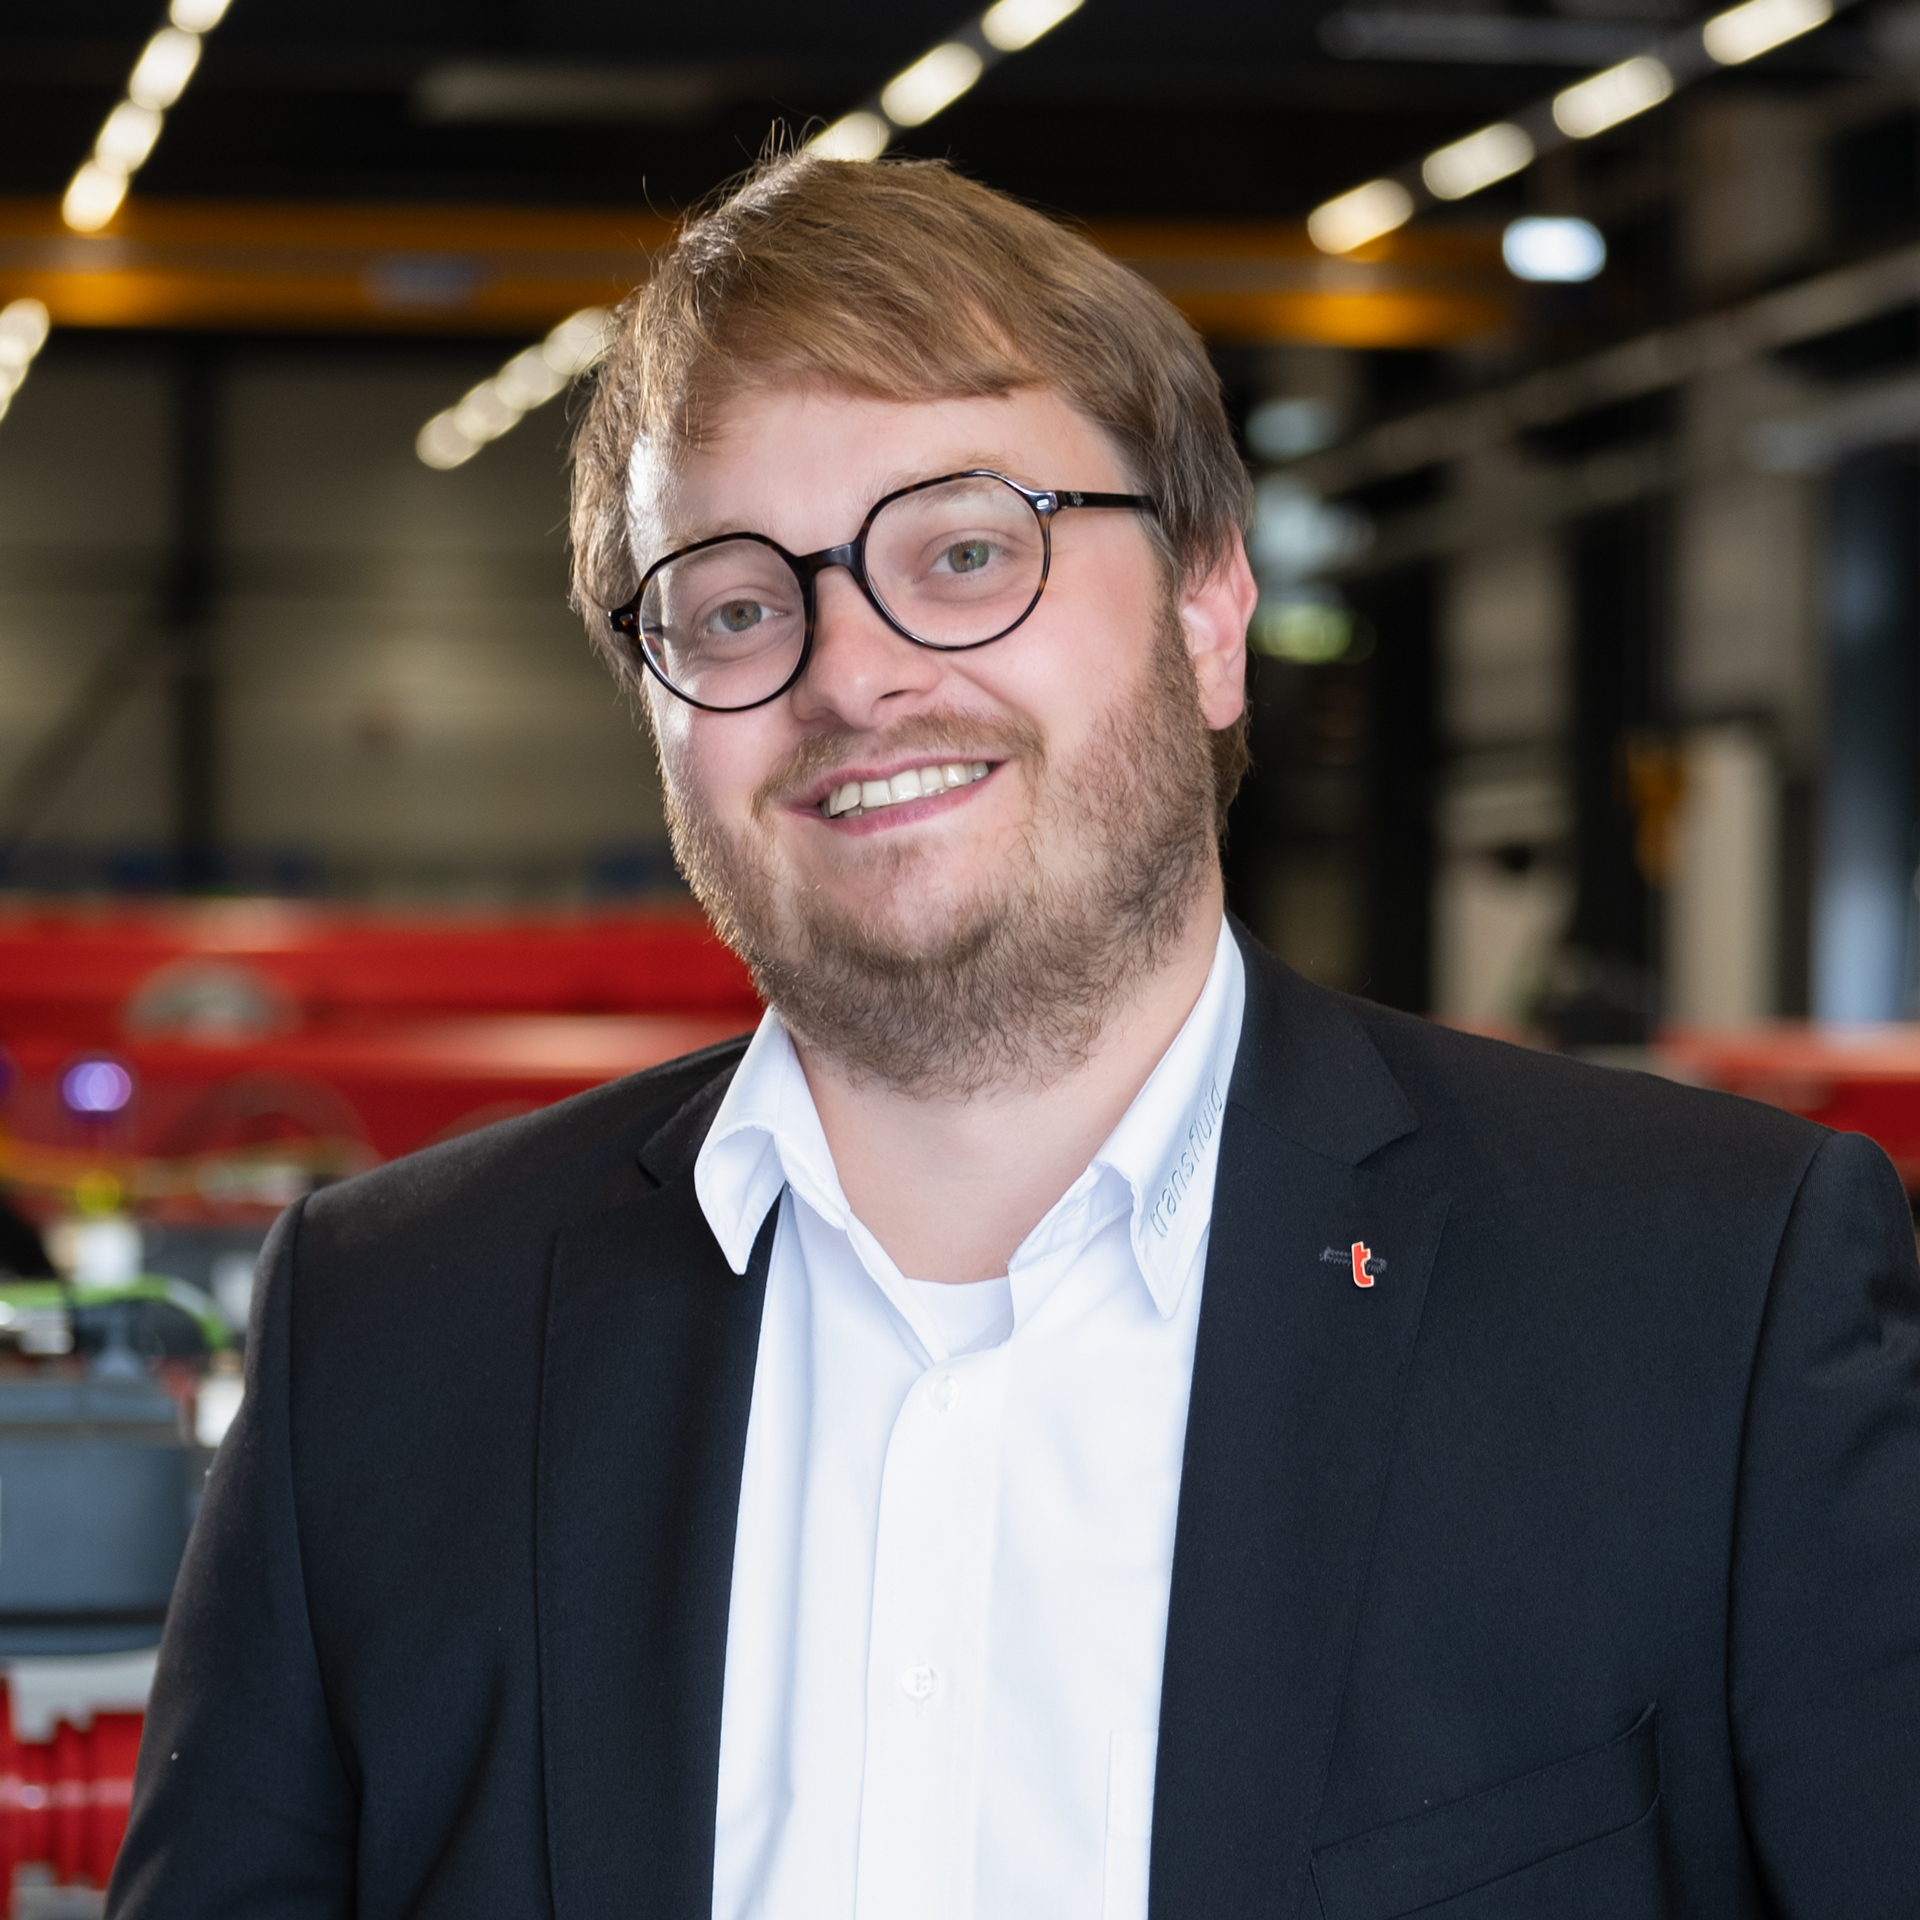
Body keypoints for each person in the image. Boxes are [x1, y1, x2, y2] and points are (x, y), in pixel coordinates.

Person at [110, 155, 1918, 1920]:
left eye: (967, 551)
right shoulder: (392, 1334)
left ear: (1212, 618)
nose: (851, 674)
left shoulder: (1708, 1303)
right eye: (737, 606)